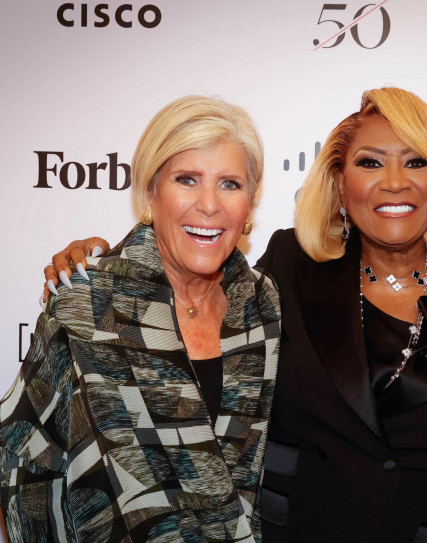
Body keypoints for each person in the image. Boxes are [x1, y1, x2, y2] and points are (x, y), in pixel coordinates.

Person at [38, 88, 427, 542]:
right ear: (339, 183)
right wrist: (106, 265)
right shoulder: (291, 267)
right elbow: (193, 284)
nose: (394, 181)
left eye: (417, 161)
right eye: (370, 162)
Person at [0, 96, 281, 542]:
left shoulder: (262, 304)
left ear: (250, 203)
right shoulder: (89, 301)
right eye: (187, 179)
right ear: (151, 192)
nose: (209, 204)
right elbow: (22, 454)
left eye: (230, 184)